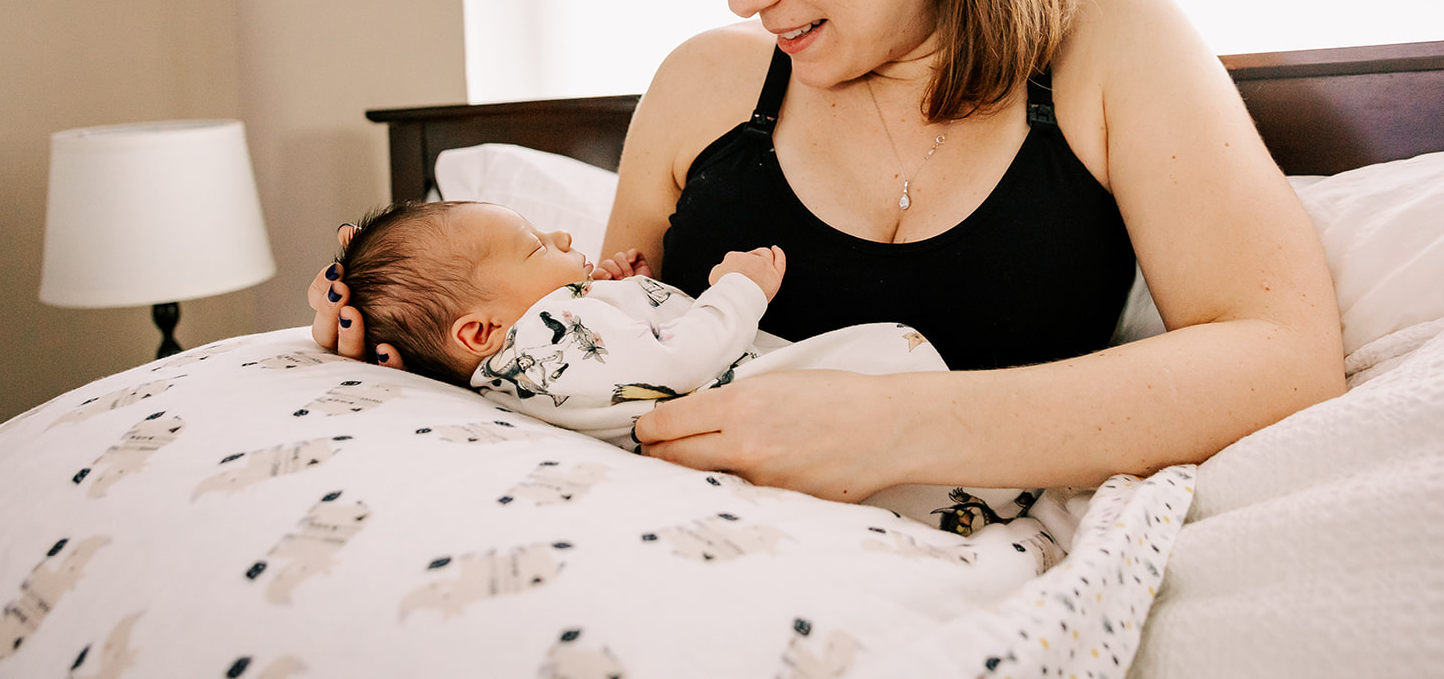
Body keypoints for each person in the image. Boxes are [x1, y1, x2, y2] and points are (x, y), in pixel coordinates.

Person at [311, 0, 1344, 507]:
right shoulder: (705, 87)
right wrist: (409, 334)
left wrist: (890, 426)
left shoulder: (1108, 48)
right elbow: (593, 344)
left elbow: (1282, 357)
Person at [329, 198, 1039, 534]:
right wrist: (741, 287)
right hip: (740, 404)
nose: (562, 234)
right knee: (885, 355)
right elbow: (677, 357)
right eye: (533, 244)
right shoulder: (544, 331)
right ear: (481, 328)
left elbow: (617, 354)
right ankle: (991, 485)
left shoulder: (529, 356)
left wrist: (613, 283)